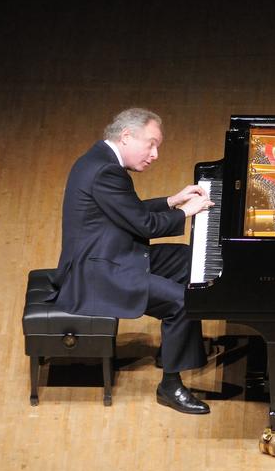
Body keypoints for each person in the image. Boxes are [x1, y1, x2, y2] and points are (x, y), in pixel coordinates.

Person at [48, 107, 214, 414]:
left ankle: (174, 349)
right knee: (181, 301)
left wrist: (171, 200)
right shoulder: (104, 171)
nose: (155, 154)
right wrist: (186, 212)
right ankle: (170, 385)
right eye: (150, 144)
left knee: (190, 260)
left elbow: (130, 210)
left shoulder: (100, 160)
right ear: (126, 136)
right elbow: (145, 225)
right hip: (98, 273)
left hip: (115, 254)